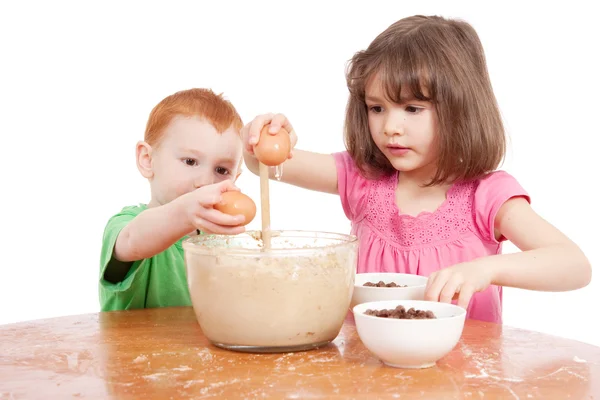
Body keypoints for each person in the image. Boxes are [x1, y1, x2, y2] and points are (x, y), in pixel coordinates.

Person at [241, 15, 591, 323]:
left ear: (460, 109)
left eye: (412, 108)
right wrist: (264, 135)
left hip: (463, 383)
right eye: (376, 108)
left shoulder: (487, 197)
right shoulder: (363, 178)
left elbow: (573, 265)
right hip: (369, 377)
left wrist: (488, 269)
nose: (390, 126)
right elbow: (264, 165)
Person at [99, 88, 248, 311]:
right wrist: (185, 213)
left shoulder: (218, 244)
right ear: (148, 160)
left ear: (235, 178)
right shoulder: (127, 224)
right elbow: (132, 241)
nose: (205, 181)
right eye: (190, 161)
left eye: (221, 170)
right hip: (137, 347)